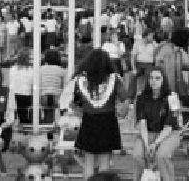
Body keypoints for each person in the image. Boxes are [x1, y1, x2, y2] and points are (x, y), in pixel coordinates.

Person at [69, 49, 128, 178]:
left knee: (88, 163)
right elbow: (125, 98)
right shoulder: (114, 79)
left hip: (88, 121)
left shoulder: (80, 81)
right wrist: (122, 112)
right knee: (104, 162)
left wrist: (82, 112)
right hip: (108, 122)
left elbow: (73, 103)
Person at [131, 66, 181, 181]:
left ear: (164, 80)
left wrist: (155, 144)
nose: (153, 81)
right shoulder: (141, 98)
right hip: (148, 132)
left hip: (169, 133)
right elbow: (142, 123)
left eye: (157, 78)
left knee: (161, 155)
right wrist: (147, 143)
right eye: (151, 78)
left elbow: (169, 126)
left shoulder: (172, 97)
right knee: (137, 155)